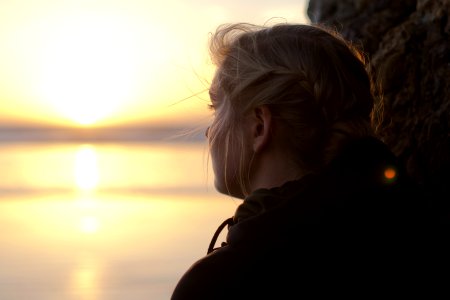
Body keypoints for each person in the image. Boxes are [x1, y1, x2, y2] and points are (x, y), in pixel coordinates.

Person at [171, 22, 430, 300]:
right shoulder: (414, 228)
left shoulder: (218, 284)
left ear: (259, 126)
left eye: (216, 108)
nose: (209, 131)